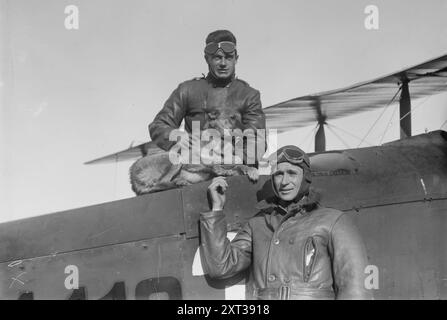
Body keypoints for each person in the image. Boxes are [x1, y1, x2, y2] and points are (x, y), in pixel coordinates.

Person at [199, 145, 372, 300]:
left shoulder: (333, 221)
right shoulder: (258, 224)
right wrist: (216, 208)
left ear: (306, 177)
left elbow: (355, 289)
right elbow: (221, 267)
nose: (284, 182)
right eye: (278, 174)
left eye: (292, 173)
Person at [148, 30, 266, 164]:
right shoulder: (187, 90)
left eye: (228, 57)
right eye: (217, 57)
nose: (223, 63)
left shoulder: (249, 95)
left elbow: (257, 139)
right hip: (196, 167)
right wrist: (177, 137)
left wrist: (237, 160)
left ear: (236, 59)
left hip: (234, 168)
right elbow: (159, 125)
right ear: (207, 59)